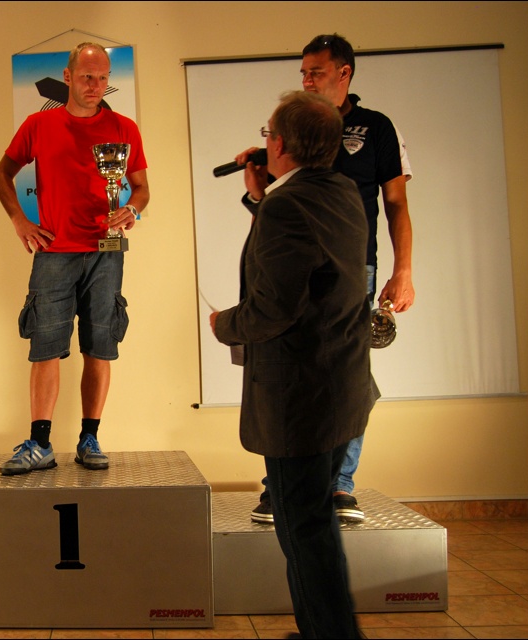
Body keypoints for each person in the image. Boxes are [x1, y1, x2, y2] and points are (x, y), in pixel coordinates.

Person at [212, 90, 375, 638]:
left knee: (305, 529)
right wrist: (262, 195)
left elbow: (272, 309)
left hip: (300, 400)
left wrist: (223, 324)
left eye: (268, 134)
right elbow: (304, 254)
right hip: (341, 387)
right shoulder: (341, 190)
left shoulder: (287, 207)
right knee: (313, 523)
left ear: (278, 143)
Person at [242, 33, 415, 524]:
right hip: (291, 264)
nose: (307, 80)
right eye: (303, 73)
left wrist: (403, 270)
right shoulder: (293, 125)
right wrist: (260, 181)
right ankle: (282, 485)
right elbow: (275, 207)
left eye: (316, 72)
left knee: (347, 373)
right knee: (286, 368)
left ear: (344, 73)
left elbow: (396, 203)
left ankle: (338, 485)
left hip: (353, 268)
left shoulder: (375, 127)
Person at [0, 42, 149, 475]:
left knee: (100, 347)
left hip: (105, 253)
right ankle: (40, 444)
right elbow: (2, 174)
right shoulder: (38, 124)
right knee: (45, 347)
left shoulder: (124, 128)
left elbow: (141, 188)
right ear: (68, 76)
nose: (95, 86)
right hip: (54, 252)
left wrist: (132, 210)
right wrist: (20, 221)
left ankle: (89, 438)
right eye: (87, 77)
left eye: (102, 78)